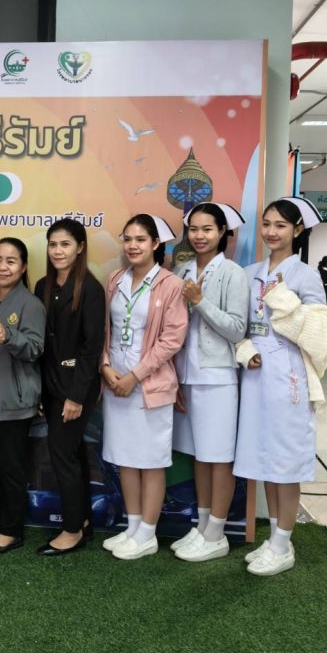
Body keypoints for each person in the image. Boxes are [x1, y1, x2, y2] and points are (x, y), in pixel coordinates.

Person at [234, 197, 327, 576]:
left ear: (297, 230)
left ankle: (283, 543)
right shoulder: (250, 273)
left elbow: (320, 333)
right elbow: (242, 325)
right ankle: (275, 539)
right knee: (265, 456)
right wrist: (245, 350)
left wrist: (283, 302)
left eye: (280, 225)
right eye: (266, 223)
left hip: (289, 374)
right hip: (256, 375)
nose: (271, 231)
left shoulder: (305, 276)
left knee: (286, 460)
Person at [100, 214, 188, 561]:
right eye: (128, 239)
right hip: (115, 384)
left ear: (155, 244)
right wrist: (105, 367)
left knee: (150, 461)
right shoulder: (114, 279)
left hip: (149, 386)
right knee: (126, 459)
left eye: (140, 239)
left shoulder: (170, 284)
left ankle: (148, 533)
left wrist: (134, 376)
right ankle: (133, 527)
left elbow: (171, 339)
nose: (133, 246)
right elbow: (104, 329)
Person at [169, 202, 249, 562]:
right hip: (188, 375)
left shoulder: (233, 273)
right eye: (194, 229)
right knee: (199, 457)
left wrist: (200, 301)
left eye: (207, 229)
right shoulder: (182, 270)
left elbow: (237, 329)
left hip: (218, 378)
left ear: (222, 233)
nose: (199, 236)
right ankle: (203, 527)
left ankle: (217, 533)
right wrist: (175, 379)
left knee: (219, 458)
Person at [33, 218, 106, 556]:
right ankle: (83, 520)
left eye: (65, 244)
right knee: (71, 453)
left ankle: (72, 530)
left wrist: (76, 397)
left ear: (80, 248)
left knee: (62, 453)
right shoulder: (43, 286)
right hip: (49, 384)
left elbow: (92, 349)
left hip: (77, 386)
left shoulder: (91, 289)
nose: (58, 251)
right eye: (53, 244)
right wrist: (40, 391)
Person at [0, 238, 45, 555]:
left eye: (11, 261)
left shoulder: (30, 304)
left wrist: (8, 336)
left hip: (11, 397)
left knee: (11, 467)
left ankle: (12, 531)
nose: (3, 267)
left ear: (23, 267)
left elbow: (35, 348)